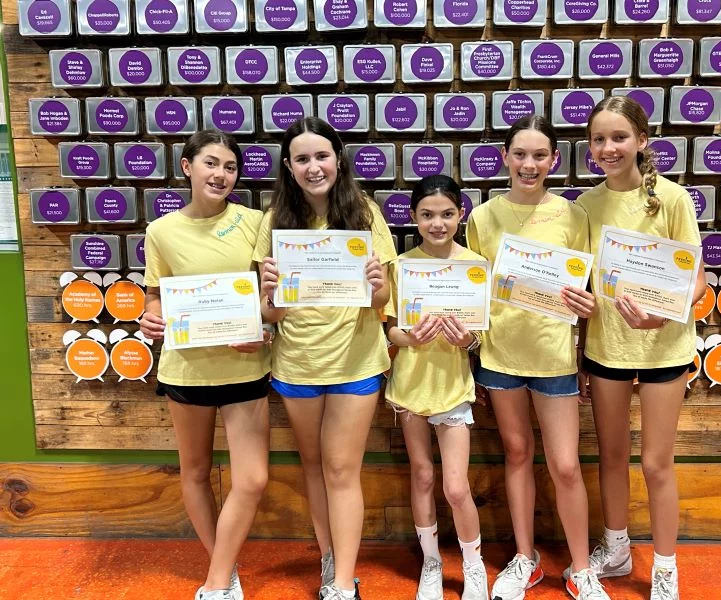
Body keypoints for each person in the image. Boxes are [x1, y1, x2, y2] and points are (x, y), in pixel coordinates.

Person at [466, 115, 609, 600]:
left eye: (539, 156)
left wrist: (588, 315)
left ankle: (581, 568)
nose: (529, 164)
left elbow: (588, 291)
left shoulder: (574, 216)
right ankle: (525, 559)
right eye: (520, 154)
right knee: (518, 453)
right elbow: (474, 292)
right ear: (505, 158)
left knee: (566, 465)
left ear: (554, 161)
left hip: (555, 360)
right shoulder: (483, 217)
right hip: (501, 357)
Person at [255, 117, 396, 600]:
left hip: (356, 361)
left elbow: (384, 304)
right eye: (302, 159)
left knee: (341, 470)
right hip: (296, 363)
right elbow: (268, 311)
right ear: (289, 167)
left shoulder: (366, 215)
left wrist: (379, 288)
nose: (314, 167)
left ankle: (342, 583)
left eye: (322, 156)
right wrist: (270, 294)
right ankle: (329, 557)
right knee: (314, 466)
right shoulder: (273, 220)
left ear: (338, 158)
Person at [575, 96, 707, 600]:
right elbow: (582, 284)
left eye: (618, 138)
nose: (608, 148)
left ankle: (666, 567)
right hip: (607, 349)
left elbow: (697, 280)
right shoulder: (585, 206)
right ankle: (616, 547)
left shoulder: (672, 199)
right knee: (611, 456)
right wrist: (582, 345)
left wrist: (664, 312)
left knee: (655, 462)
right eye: (599, 140)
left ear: (642, 141)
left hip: (664, 350)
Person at [140, 129, 272, 600]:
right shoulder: (161, 231)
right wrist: (150, 319)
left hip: (245, 367)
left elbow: (268, 293)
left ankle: (217, 578)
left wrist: (261, 325)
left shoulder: (256, 221)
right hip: (186, 370)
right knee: (194, 472)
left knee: (253, 478)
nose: (220, 174)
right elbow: (156, 295)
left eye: (230, 167)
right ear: (188, 166)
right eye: (211, 163)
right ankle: (223, 575)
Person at [384, 175, 487, 600]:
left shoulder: (475, 264)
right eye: (427, 215)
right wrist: (411, 338)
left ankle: (473, 565)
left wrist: (469, 341)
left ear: (460, 215)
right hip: (410, 387)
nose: (437, 223)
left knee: (456, 486)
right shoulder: (401, 266)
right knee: (423, 475)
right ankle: (431, 563)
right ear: (414, 217)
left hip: (453, 388)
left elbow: (481, 335)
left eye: (446, 214)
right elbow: (390, 330)